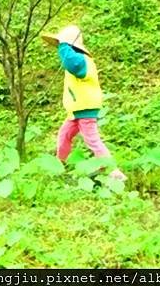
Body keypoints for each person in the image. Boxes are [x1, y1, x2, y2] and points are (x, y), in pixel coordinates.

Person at [41, 25, 126, 181]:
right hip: (76, 110)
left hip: (85, 108)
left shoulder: (81, 61)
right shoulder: (78, 60)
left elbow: (70, 62)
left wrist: (63, 45)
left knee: (92, 140)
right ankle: (60, 164)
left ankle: (113, 171)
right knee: (64, 135)